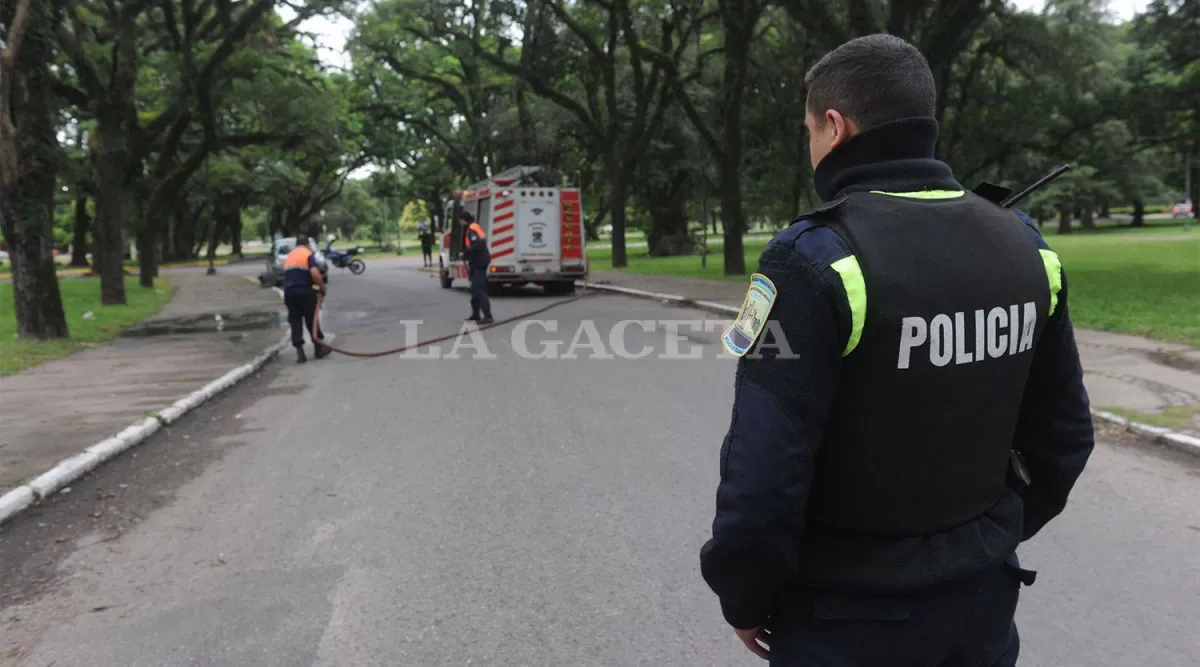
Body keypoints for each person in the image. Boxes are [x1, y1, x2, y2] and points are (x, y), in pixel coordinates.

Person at [701, 34, 1094, 666]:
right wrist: (986, 542)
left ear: (835, 126)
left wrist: (744, 596)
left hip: (845, 619)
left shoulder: (814, 258)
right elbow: (1066, 438)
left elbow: (764, 473)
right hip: (982, 610)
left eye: (808, 131)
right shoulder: (1026, 246)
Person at [282, 234, 331, 363]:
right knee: (311, 319)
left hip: (289, 293)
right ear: (307, 244)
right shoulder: (308, 254)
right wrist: (322, 288)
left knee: (295, 320)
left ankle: (300, 352)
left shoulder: (290, 255)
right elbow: (315, 273)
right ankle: (318, 348)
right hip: (305, 292)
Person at [458, 211, 493, 324]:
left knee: (479, 289)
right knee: (474, 289)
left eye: (460, 220)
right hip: (476, 262)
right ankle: (476, 314)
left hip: (479, 263)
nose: (460, 223)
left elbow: (478, 244)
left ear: (464, 219)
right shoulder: (473, 227)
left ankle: (488, 316)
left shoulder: (472, 228)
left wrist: (465, 252)